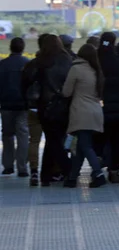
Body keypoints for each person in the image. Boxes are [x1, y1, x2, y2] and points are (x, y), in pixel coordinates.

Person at [62, 44, 107, 188]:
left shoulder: (76, 69)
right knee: (80, 147)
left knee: (85, 146)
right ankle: (72, 177)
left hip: (81, 112)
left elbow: (66, 92)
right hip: (95, 111)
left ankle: (98, 174)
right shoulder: (97, 70)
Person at [33, 35, 72, 186]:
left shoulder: (39, 62)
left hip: (44, 106)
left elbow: (28, 81)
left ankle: (53, 172)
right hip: (63, 105)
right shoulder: (66, 59)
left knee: (52, 140)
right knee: (56, 140)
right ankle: (59, 171)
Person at [98, 32, 119, 182]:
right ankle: (114, 170)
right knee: (118, 140)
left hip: (100, 104)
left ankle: (97, 168)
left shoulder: (97, 57)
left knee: (99, 139)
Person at [20, 34, 51, 186]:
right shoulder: (53, 64)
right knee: (52, 140)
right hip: (50, 108)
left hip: (33, 107)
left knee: (34, 140)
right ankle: (52, 171)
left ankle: (34, 171)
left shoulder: (30, 65)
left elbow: (22, 86)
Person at [0, 37, 30, 177]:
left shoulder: (3, 64)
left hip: (6, 105)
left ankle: (8, 166)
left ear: (10, 47)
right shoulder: (27, 64)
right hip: (23, 105)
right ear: (22, 48)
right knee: (23, 135)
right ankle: (22, 167)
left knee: (7, 135)